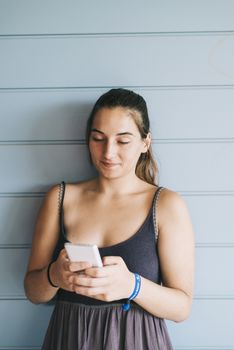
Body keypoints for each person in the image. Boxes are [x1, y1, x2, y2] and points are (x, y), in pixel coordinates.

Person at [24, 88, 195, 350]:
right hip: (70, 339)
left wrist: (133, 285)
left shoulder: (166, 205)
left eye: (123, 141)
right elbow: (33, 292)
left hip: (138, 341)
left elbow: (182, 307)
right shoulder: (59, 198)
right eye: (98, 138)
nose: (108, 152)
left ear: (145, 143)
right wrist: (55, 276)